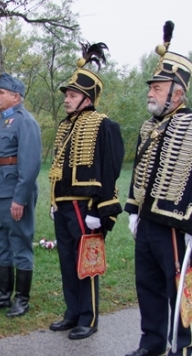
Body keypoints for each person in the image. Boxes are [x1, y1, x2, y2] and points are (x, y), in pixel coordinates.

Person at [123, 21, 192, 356]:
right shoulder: (148, 127)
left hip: (178, 227)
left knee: (178, 289)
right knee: (147, 284)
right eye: (151, 86)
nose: (150, 92)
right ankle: (152, 341)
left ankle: (180, 351)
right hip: (148, 221)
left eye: (158, 87)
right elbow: (139, 172)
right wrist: (133, 209)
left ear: (177, 93)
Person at [48, 42, 125, 340]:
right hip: (63, 204)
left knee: (86, 261)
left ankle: (88, 317)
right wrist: (54, 200)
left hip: (85, 206)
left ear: (87, 98)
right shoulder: (65, 126)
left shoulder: (104, 125)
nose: (67, 99)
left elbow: (110, 169)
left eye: (72, 95)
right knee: (67, 260)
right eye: (67, 95)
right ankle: (72, 312)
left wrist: (98, 208)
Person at [0, 73, 42, 317]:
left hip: (14, 195)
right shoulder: (2, 122)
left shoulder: (25, 122)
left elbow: (30, 164)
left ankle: (22, 300)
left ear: (16, 97)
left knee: (21, 243)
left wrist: (20, 198)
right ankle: (2, 296)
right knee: (2, 243)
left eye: (1, 92)